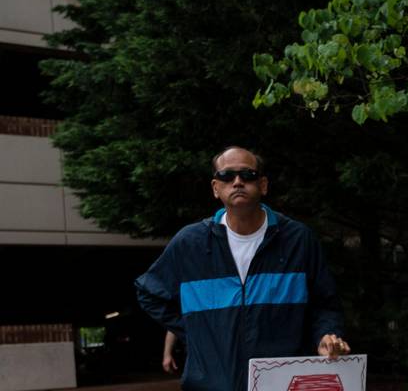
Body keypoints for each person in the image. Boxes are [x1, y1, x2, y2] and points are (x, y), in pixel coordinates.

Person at [136, 146, 351, 390]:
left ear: (263, 185)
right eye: (227, 176)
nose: (237, 182)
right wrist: (199, 333)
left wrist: (325, 334)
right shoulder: (190, 243)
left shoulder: (297, 239)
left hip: (282, 382)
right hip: (211, 384)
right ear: (216, 188)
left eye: (247, 175)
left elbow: (325, 303)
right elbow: (149, 293)